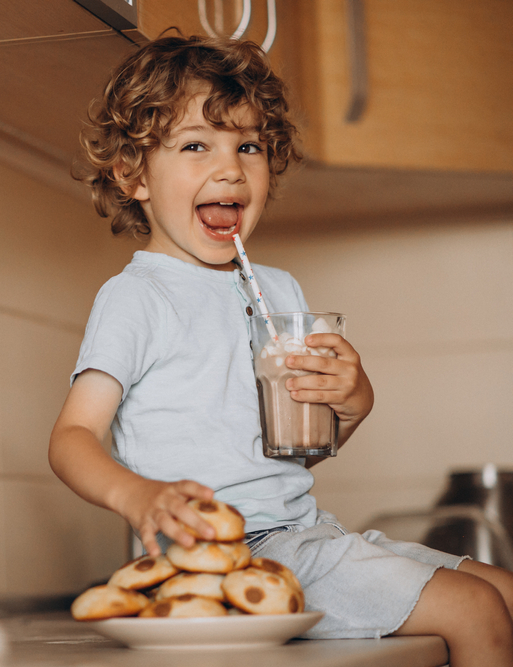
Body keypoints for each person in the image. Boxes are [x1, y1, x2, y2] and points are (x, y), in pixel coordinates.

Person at [48, 34, 513, 665]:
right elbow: (71, 436)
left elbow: (289, 455)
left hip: (304, 534)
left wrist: (351, 405)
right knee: (475, 609)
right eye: (195, 146)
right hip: (226, 558)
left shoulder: (277, 291)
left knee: (505, 592)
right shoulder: (137, 297)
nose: (230, 168)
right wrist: (136, 496)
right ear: (134, 176)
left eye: (248, 146)